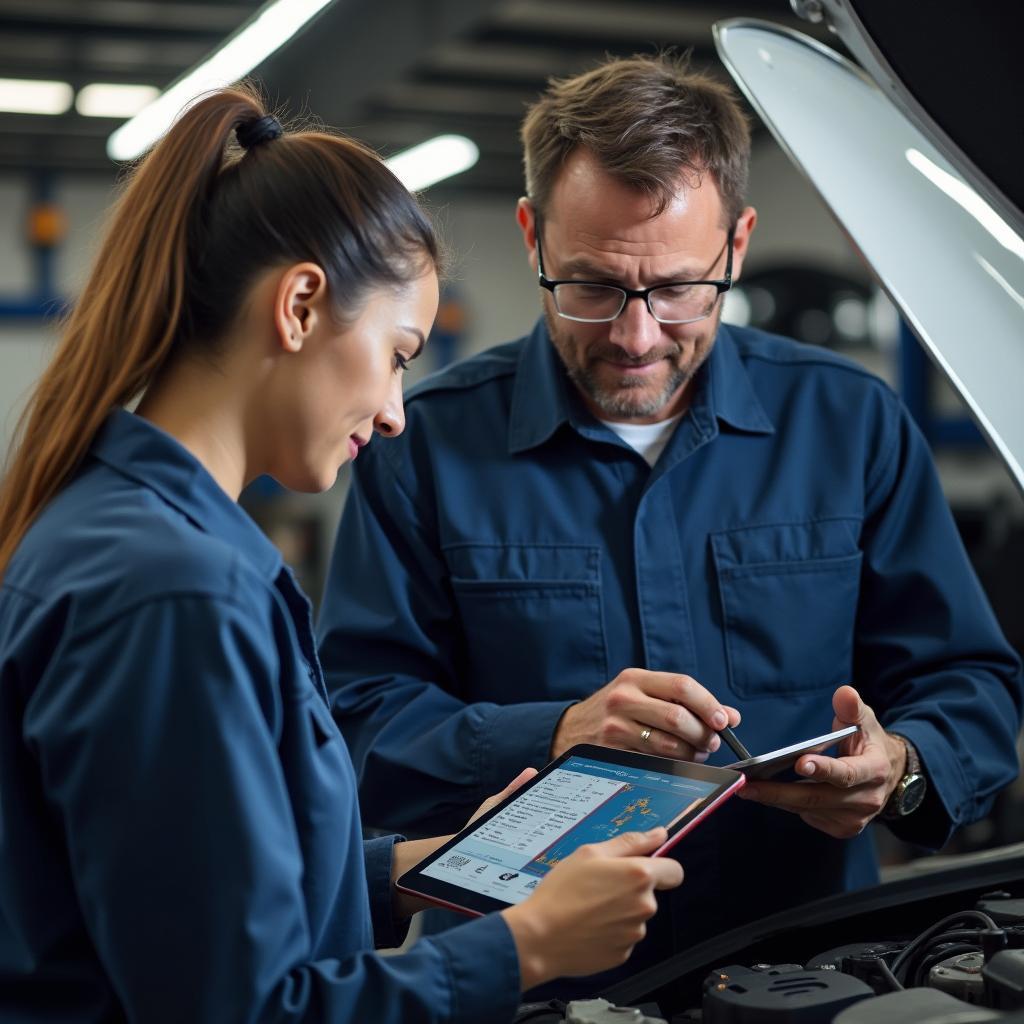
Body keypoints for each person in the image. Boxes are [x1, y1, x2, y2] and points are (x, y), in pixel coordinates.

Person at [317, 53, 1024, 987]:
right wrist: (555, 732)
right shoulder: (423, 444)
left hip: (811, 969)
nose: (636, 335)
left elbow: (970, 683)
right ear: (532, 235)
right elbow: (357, 722)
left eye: (679, 289)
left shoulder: (850, 424)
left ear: (737, 244)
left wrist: (900, 768)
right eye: (593, 286)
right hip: (532, 984)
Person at [0, 86, 686, 1023]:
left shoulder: (138, 537)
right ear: (300, 305)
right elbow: (240, 1007)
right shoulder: (174, 589)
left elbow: (202, 893)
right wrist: (523, 947)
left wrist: (426, 867)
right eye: (400, 353)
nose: (399, 410)